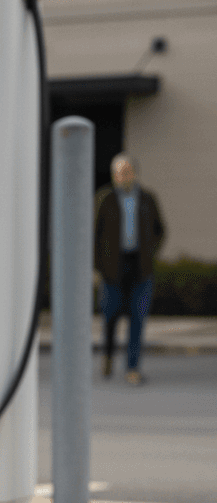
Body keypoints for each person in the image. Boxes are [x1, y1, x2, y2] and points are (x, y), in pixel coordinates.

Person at [93, 153, 165, 384]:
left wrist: (150, 252)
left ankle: (132, 368)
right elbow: (94, 235)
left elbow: (159, 230)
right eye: (118, 172)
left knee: (138, 317)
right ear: (114, 176)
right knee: (110, 315)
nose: (123, 176)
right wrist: (97, 267)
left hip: (139, 266)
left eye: (127, 171)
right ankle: (108, 355)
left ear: (134, 173)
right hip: (112, 267)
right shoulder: (105, 199)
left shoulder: (147, 199)